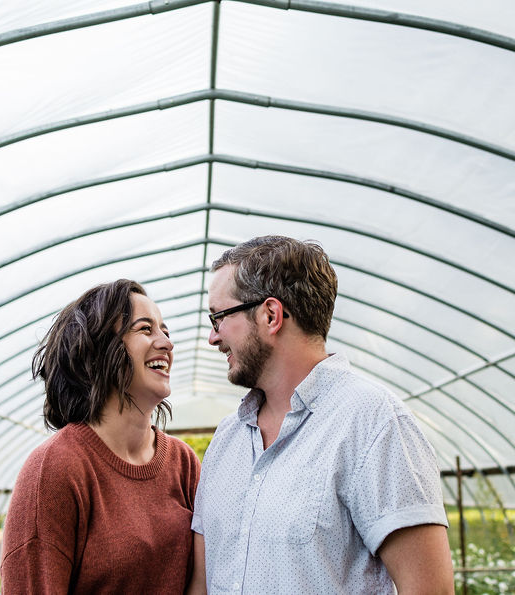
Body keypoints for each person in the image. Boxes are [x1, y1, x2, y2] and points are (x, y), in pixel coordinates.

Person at [189, 236, 454, 594]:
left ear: (271, 315)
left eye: (218, 317)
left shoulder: (373, 423)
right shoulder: (227, 439)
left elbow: (427, 590)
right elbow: (202, 584)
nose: (212, 337)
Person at [1, 279, 200, 594]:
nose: (166, 342)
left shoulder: (184, 462)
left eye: (166, 331)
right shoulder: (55, 469)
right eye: (146, 329)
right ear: (97, 348)